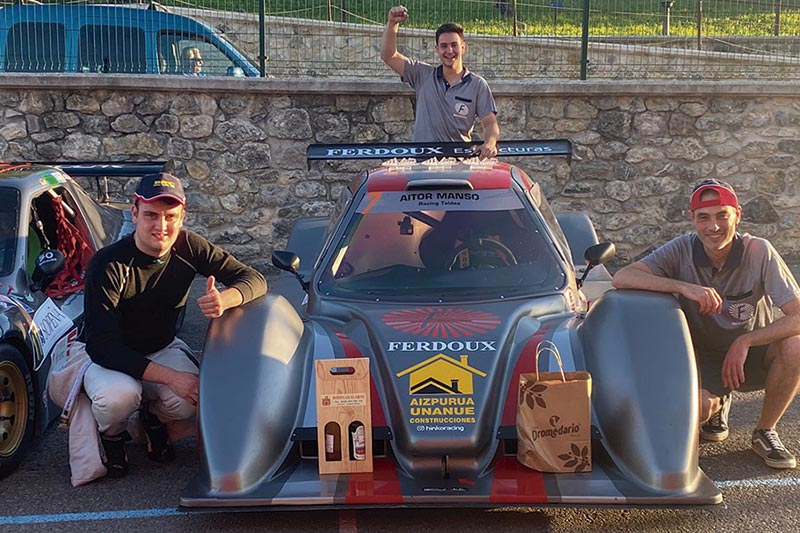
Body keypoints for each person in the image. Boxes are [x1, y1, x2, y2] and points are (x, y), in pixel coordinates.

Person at [76, 172, 266, 478]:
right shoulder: (107, 264)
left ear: (182, 216)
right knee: (119, 398)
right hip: (109, 356)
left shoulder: (190, 246)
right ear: (134, 213)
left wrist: (226, 299)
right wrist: (171, 377)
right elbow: (102, 346)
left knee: (192, 397)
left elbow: (254, 279)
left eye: (170, 216)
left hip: (160, 346)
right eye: (151, 215)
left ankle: (152, 420)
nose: (161, 226)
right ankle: (112, 435)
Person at [612, 179, 800, 469]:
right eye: (704, 218)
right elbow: (622, 277)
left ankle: (765, 431)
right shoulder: (682, 248)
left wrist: (745, 341)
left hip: (753, 351)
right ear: (693, 220)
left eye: (722, 215)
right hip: (705, 357)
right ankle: (716, 405)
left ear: (737, 214)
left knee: (796, 346)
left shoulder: (759, 251)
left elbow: (797, 315)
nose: (713, 227)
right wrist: (684, 287)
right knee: (694, 410)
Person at [380, 5, 500, 159]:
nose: (449, 51)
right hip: (422, 164)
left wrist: (490, 142)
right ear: (437, 49)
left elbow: (490, 123)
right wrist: (392, 23)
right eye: (444, 46)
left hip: (459, 165)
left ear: (463, 47)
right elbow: (388, 56)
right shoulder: (422, 75)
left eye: (454, 45)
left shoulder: (477, 84)